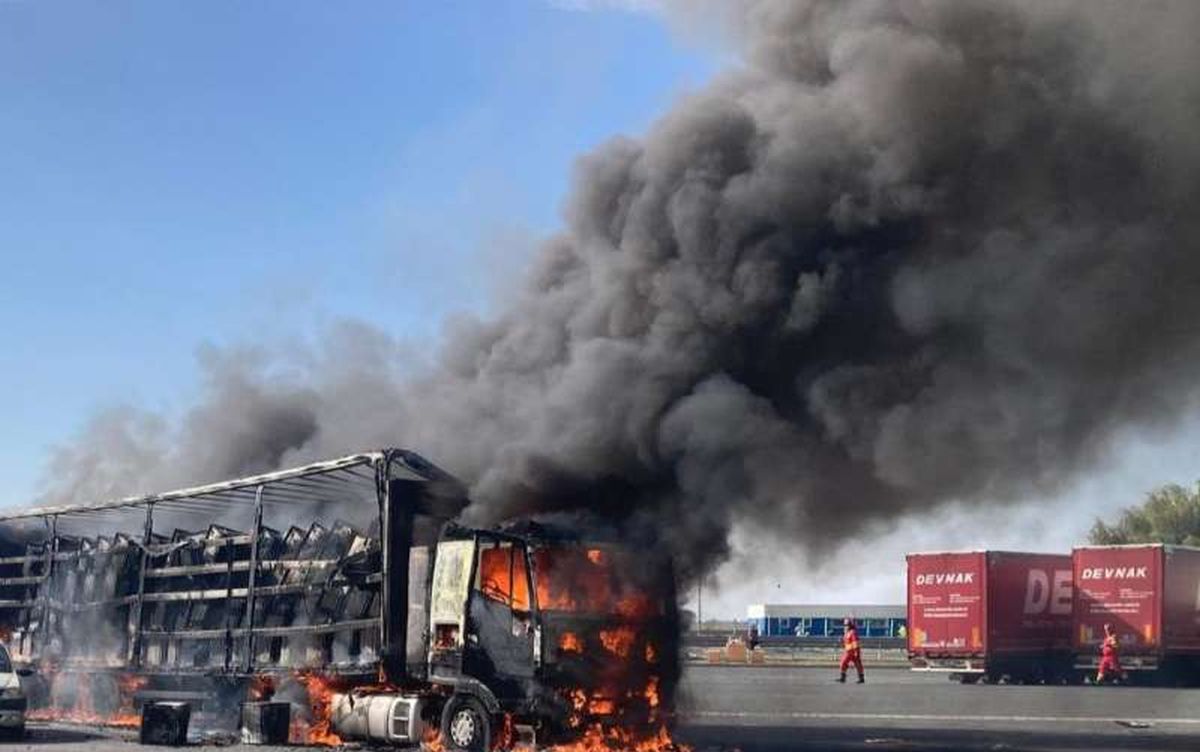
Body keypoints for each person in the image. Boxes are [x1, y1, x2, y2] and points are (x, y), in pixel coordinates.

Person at [837, 617, 865, 684]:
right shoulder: (847, 633)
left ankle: (861, 678)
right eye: (845, 625)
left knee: (858, 665)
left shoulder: (853, 632)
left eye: (846, 625)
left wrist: (856, 652)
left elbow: (855, 642)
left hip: (852, 651)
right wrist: (841, 640)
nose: (845, 626)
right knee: (843, 663)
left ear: (850, 625)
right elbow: (846, 641)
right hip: (848, 651)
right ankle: (843, 677)